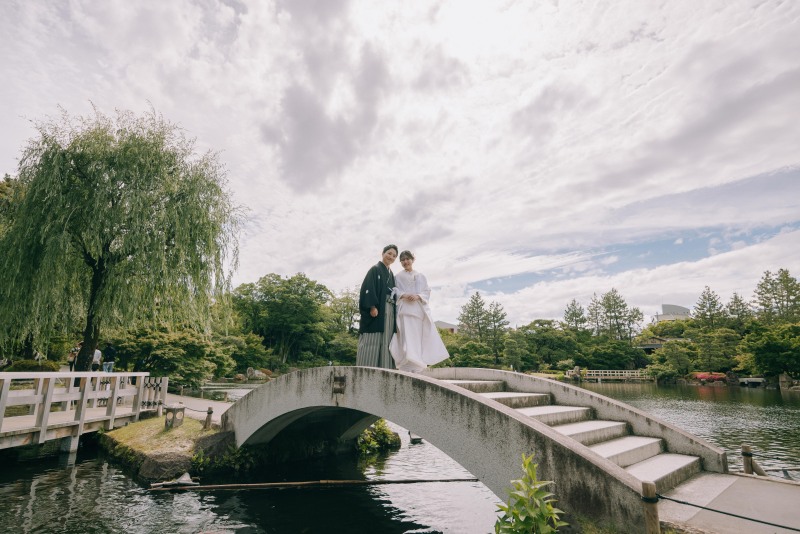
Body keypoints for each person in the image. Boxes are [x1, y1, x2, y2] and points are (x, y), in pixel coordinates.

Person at [389, 250, 449, 372]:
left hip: (417, 311)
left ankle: (418, 365)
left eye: (407, 259)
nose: (405, 262)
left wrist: (418, 296)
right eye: (403, 260)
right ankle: (406, 365)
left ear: (412, 259)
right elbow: (394, 291)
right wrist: (404, 295)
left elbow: (426, 291)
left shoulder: (421, 276)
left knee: (417, 338)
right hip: (404, 311)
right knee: (406, 338)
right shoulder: (398, 277)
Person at [356, 244, 398, 368]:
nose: (391, 257)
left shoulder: (391, 274)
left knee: (387, 338)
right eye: (389, 253)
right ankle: (368, 367)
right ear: (383, 253)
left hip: (389, 309)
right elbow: (368, 288)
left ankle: (385, 367)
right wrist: (372, 306)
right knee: (373, 338)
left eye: (394, 256)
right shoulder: (375, 269)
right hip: (379, 308)